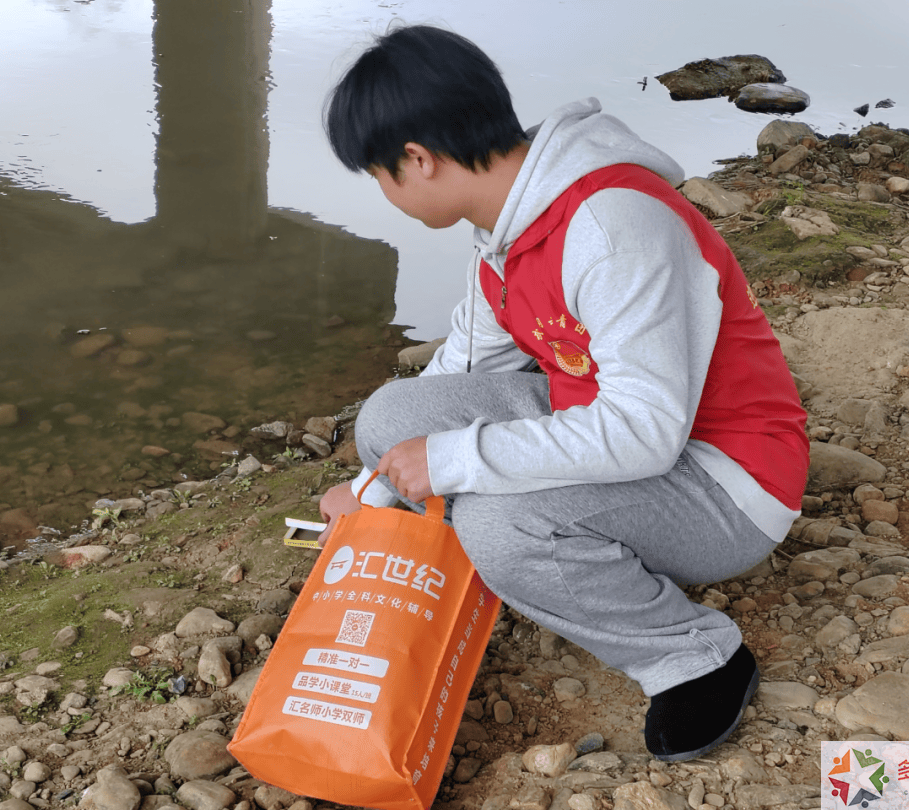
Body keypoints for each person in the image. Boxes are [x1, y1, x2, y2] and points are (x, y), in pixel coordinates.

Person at [319, 23, 809, 762]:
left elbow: (644, 431)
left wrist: (449, 462)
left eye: (379, 176)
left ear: (417, 159)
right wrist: (373, 493)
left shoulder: (611, 226)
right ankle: (506, 555)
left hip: (726, 482)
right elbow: (463, 372)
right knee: (392, 414)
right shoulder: (506, 227)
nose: (385, 193)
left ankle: (693, 657)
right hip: (621, 431)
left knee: (500, 525)